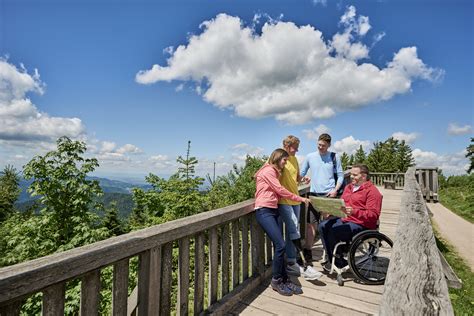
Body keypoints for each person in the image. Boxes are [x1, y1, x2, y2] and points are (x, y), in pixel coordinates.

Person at [254, 148, 313, 296]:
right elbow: (280, 190)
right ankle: (276, 280)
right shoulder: (269, 171)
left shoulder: (273, 171)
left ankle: (285, 279)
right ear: (278, 158)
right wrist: (301, 199)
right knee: (280, 244)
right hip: (264, 210)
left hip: (274, 209)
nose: (285, 163)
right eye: (284, 160)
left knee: (280, 245)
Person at [318, 164, 383, 271]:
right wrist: (330, 210)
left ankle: (338, 261)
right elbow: (342, 205)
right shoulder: (348, 187)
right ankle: (332, 258)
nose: (351, 176)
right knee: (322, 226)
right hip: (345, 219)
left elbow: (374, 215)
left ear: (364, 176)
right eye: (351, 174)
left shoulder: (373, 192)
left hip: (362, 224)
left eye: (354, 174)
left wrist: (354, 212)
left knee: (334, 231)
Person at [278, 135, 322, 280]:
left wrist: (303, 179)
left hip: (296, 199)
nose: (297, 150)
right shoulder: (278, 157)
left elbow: (296, 178)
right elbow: (271, 175)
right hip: (284, 200)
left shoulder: (294, 159)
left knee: (294, 231)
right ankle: (292, 262)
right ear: (286, 146)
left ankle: (292, 260)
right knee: (293, 230)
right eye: (295, 147)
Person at [300, 133, 344, 263]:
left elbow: (341, 175)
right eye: (319, 144)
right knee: (310, 225)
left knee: (327, 225)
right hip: (313, 195)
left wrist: (335, 190)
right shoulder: (310, 157)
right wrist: (303, 178)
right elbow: (301, 174)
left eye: (323, 145)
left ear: (329, 145)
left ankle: (328, 253)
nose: (320, 147)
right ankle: (308, 251)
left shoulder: (334, 157)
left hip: (329, 195)